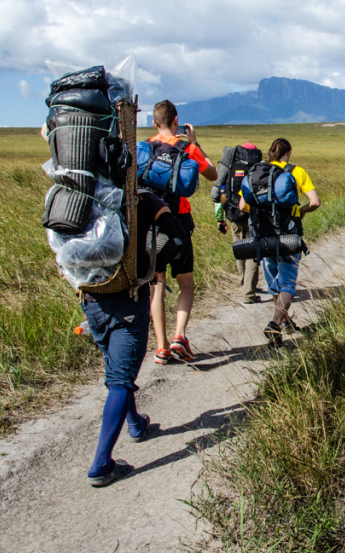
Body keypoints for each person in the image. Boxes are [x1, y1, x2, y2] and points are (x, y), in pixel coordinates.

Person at [82, 190, 186, 486]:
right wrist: (151, 270)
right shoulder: (144, 199)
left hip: (91, 299)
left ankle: (136, 424)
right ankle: (101, 465)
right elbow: (178, 239)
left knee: (114, 368)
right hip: (129, 297)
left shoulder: (85, 195)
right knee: (121, 379)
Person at [147, 100, 218, 365]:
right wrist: (196, 143)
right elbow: (212, 175)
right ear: (177, 121)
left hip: (151, 223)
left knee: (157, 284)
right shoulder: (186, 147)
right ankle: (180, 337)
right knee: (185, 282)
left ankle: (161, 346)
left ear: (154, 123)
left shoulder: (145, 147)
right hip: (179, 221)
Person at [239, 138, 321, 346]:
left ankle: (283, 325)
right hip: (288, 233)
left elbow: (242, 206)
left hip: (262, 233)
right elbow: (315, 202)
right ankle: (275, 323)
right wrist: (302, 211)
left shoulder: (256, 172)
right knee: (288, 282)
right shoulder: (297, 172)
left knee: (273, 282)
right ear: (289, 152)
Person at [213, 142, 262, 304]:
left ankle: (243, 282)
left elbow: (221, 195)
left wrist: (220, 218)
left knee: (239, 247)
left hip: (233, 214)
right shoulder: (258, 167)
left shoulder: (231, 167)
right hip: (253, 215)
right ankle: (248, 293)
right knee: (254, 253)